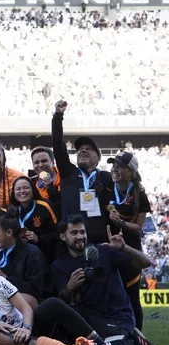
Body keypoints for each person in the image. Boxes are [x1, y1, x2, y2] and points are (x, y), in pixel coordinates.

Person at [52, 215, 156, 345]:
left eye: (82, 232)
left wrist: (124, 248)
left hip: (117, 315)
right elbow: (63, 300)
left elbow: (145, 263)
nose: (80, 236)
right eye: (74, 233)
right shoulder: (59, 265)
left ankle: (132, 338)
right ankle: (128, 337)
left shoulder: (104, 250)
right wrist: (70, 287)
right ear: (63, 236)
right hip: (90, 320)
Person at [51, 101, 114, 244]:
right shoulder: (68, 171)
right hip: (72, 239)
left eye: (89, 149)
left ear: (98, 158)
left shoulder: (105, 177)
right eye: (80, 149)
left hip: (99, 239)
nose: (83, 151)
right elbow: (57, 144)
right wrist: (58, 116)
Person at [106, 152, 150, 330]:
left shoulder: (139, 194)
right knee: (111, 297)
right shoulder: (107, 185)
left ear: (131, 171)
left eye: (120, 166)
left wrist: (121, 223)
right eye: (113, 165)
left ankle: (139, 340)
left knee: (132, 297)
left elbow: (139, 227)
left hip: (130, 250)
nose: (114, 168)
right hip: (110, 248)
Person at [0, 214, 51, 307]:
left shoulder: (32, 254)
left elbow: (36, 290)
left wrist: (5, 278)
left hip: (35, 305)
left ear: (8, 233)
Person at [8, 176, 60, 262]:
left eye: (26, 188)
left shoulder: (45, 206)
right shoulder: (12, 211)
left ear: (33, 190)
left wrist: (38, 238)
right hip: (21, 257)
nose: (22, 191)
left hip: (45, 254)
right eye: (18, 189)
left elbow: (57, 233)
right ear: (13, 193)